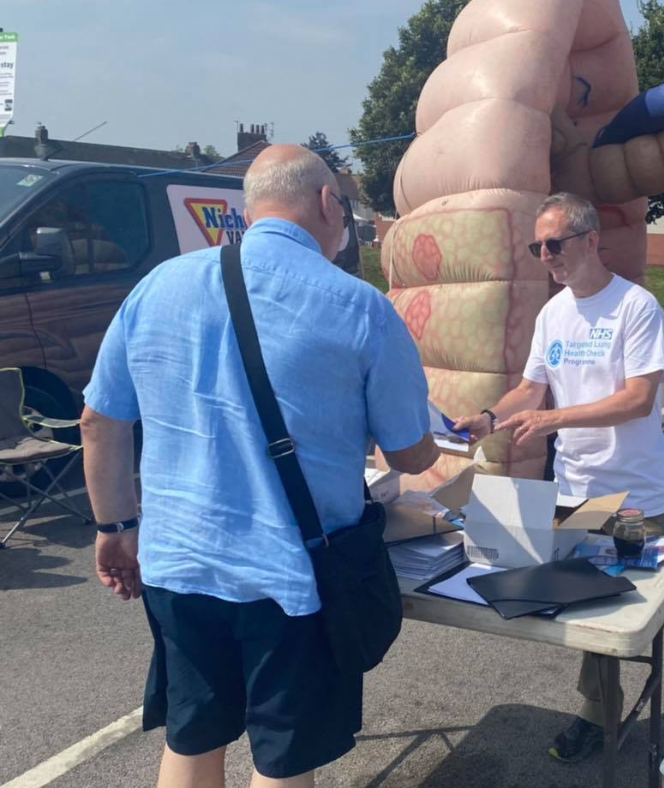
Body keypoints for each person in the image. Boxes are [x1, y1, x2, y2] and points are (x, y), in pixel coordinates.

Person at [82, 145, 439, 788]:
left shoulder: (158, 284)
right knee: (282, 760)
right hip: (291, 579)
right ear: (329, 203)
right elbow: (410, 454)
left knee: (191, 741)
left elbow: (100, 421)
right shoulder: (360, 307)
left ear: (252, 207)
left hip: (178, 567)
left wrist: (114, 528)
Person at [453, 192, 664, 767]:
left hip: (635, 493)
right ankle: (599, 712)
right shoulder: (553, 313)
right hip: (575, 490)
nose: (547, 255)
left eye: (555, 243)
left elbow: (638, 400)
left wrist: (552, 419)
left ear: (591, 240)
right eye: (538, 246)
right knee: (587, 606)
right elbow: (531, 389)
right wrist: (492, 417)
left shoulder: (636, 308)